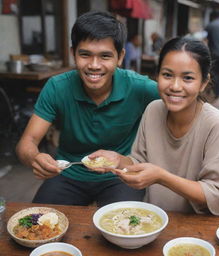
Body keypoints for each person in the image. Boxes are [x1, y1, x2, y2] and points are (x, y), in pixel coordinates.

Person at [89, 37, 219, 217]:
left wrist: (161, 177)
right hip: (162, 217)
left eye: (187, 78)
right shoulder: (153, 110)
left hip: (213, 225)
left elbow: (218, 196)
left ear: (203, 82)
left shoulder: (217, 124)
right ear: (157, 76)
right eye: (167, 75)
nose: (175, 86)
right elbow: (139, 162)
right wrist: (117, 160)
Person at [15, 11, 159, 206]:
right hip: (67, 172)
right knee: (38, 224)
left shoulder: (140, 87)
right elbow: (27, 142)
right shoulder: (57, 87)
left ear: (120, 57)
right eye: (85, 55)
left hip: (119, 174)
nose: (94, 65)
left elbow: (185, 105)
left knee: (126, 228)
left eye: (105, 56)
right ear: (73, 53)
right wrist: (35, 158)